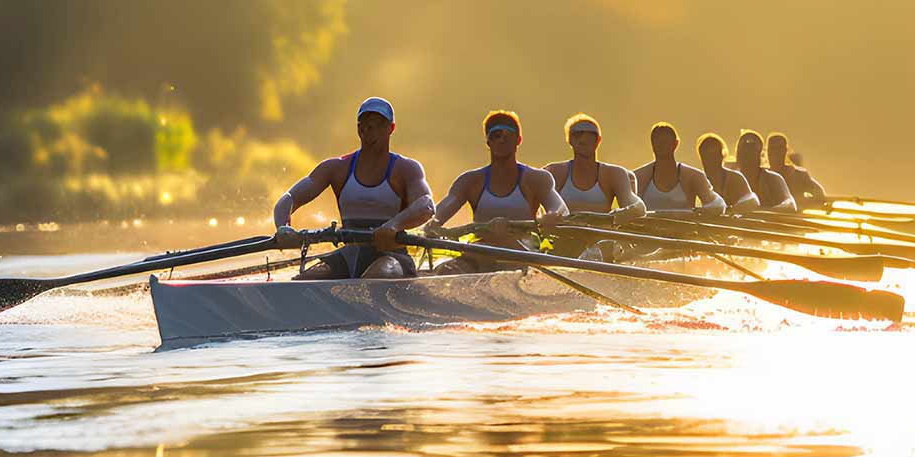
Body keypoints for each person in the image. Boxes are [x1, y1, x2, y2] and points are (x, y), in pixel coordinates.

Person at [272, 97, 434, 278]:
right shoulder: (336, 168)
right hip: (349, 256)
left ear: (391, 128)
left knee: (377, 276)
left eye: (377, 125)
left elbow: (426, 205)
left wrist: (394, 226)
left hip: (392, 257)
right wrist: (282, 228)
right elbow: (289, 198)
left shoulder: (406, 169)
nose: (369, 132)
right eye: (364, 126)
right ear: (358, 129)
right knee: (303, 282)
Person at [426, 109, 569, 273]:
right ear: (488, 141)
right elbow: (440, 213)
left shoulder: (536, 179)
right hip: (482, 249)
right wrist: (432, 226)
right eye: (496, 135)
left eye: (508, 135)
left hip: (522, 252)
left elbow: (561, 209)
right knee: (446, 271)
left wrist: (552, 215)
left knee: (507, 256)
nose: (502, 140)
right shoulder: (470, 181)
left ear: (519, 140)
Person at [545, 113, 646, 220]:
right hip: (562, 234)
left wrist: (619, 214)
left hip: (602, 234)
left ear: (598, 140)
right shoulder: (554, 172)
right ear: (569, 140)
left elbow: (636, 207)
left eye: (590, 135)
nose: (583, 138)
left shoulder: (614, 174)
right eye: (578, 134)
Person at [633, 122, 726, 215]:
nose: (660, 145)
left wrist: (702, 212)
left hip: (683, 229)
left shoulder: (693, 176)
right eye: (657, 141)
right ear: (652, 144)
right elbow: (626, 209)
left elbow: (718, 205)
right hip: (645, 229)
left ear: (675, 144)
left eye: (665, 142)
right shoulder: (638, 177)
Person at [732, 130, 798, 212]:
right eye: (745, 152)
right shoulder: (731, 179)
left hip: (769, 221)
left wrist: (770, 211)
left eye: (752, 152)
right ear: (738, 155)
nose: (748, 157)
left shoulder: (773, 179)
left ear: (760, 155)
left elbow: (790, 204)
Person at [695, 133, 760, 210]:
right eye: (706, 155)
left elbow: (752, 203)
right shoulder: (696, 180)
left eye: (714, 154)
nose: (710, 159)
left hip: (734, 220)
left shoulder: (736, 178)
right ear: (701, 157)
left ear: (722, 156)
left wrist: (733, 209)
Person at [767, 133, 827, 210]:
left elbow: (820, 195)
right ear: (767, 151)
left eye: (780, 148)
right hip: (768, 218)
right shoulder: (761, 175)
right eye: (772, 149)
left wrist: (799, 203)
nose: (776, 153)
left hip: (793, 217)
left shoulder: (799, 175)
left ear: (785, 151)